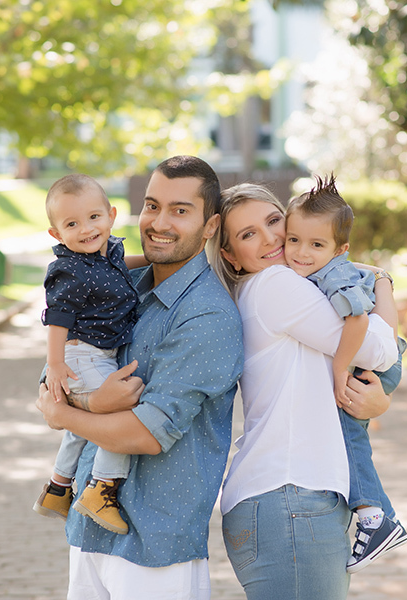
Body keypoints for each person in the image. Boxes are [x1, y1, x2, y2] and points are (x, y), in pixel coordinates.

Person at [35, 156, 244, 600]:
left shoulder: (207, 316)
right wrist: (82, 402)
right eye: (152, 206)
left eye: (180, 210)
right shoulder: (121, 278)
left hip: (156, 544)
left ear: (210, 226)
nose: (159, 222)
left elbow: (145, 433)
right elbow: (63, 368)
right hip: (90, 534)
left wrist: (63, 413)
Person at [206, 182, 398, 599]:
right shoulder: (275, 284)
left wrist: (377, 400)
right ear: (229, 255)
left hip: (279, 500)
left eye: (274, 221)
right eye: (247, 234)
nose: (272, 238)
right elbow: (380, 350)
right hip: (291, 499)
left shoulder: (262, 291)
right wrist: (380, 281)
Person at [284, 174, 407, 573]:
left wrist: (340, 369)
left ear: (340, 250)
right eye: (293, 241)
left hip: (367, 362)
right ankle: (376, 515)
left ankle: (376, 518)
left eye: (316, 245)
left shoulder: (335, 273)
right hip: (364, 357)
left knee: (348, 433)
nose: (301, 253)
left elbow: (356, 319)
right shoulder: (311, 271)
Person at [33, 173, 142, 535]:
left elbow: (118, 272)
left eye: (94, 217)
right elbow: (58, 319)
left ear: (111, 215)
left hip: (98, 353)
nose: (86, 229)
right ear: (56, 234)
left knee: (79, 430)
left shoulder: (107, 253)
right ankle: (101, 490)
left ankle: (57, 488)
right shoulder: (70, 268)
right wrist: (55, 364)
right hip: (81, 355)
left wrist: (158, 265)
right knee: (116, 416)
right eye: (72, 224)